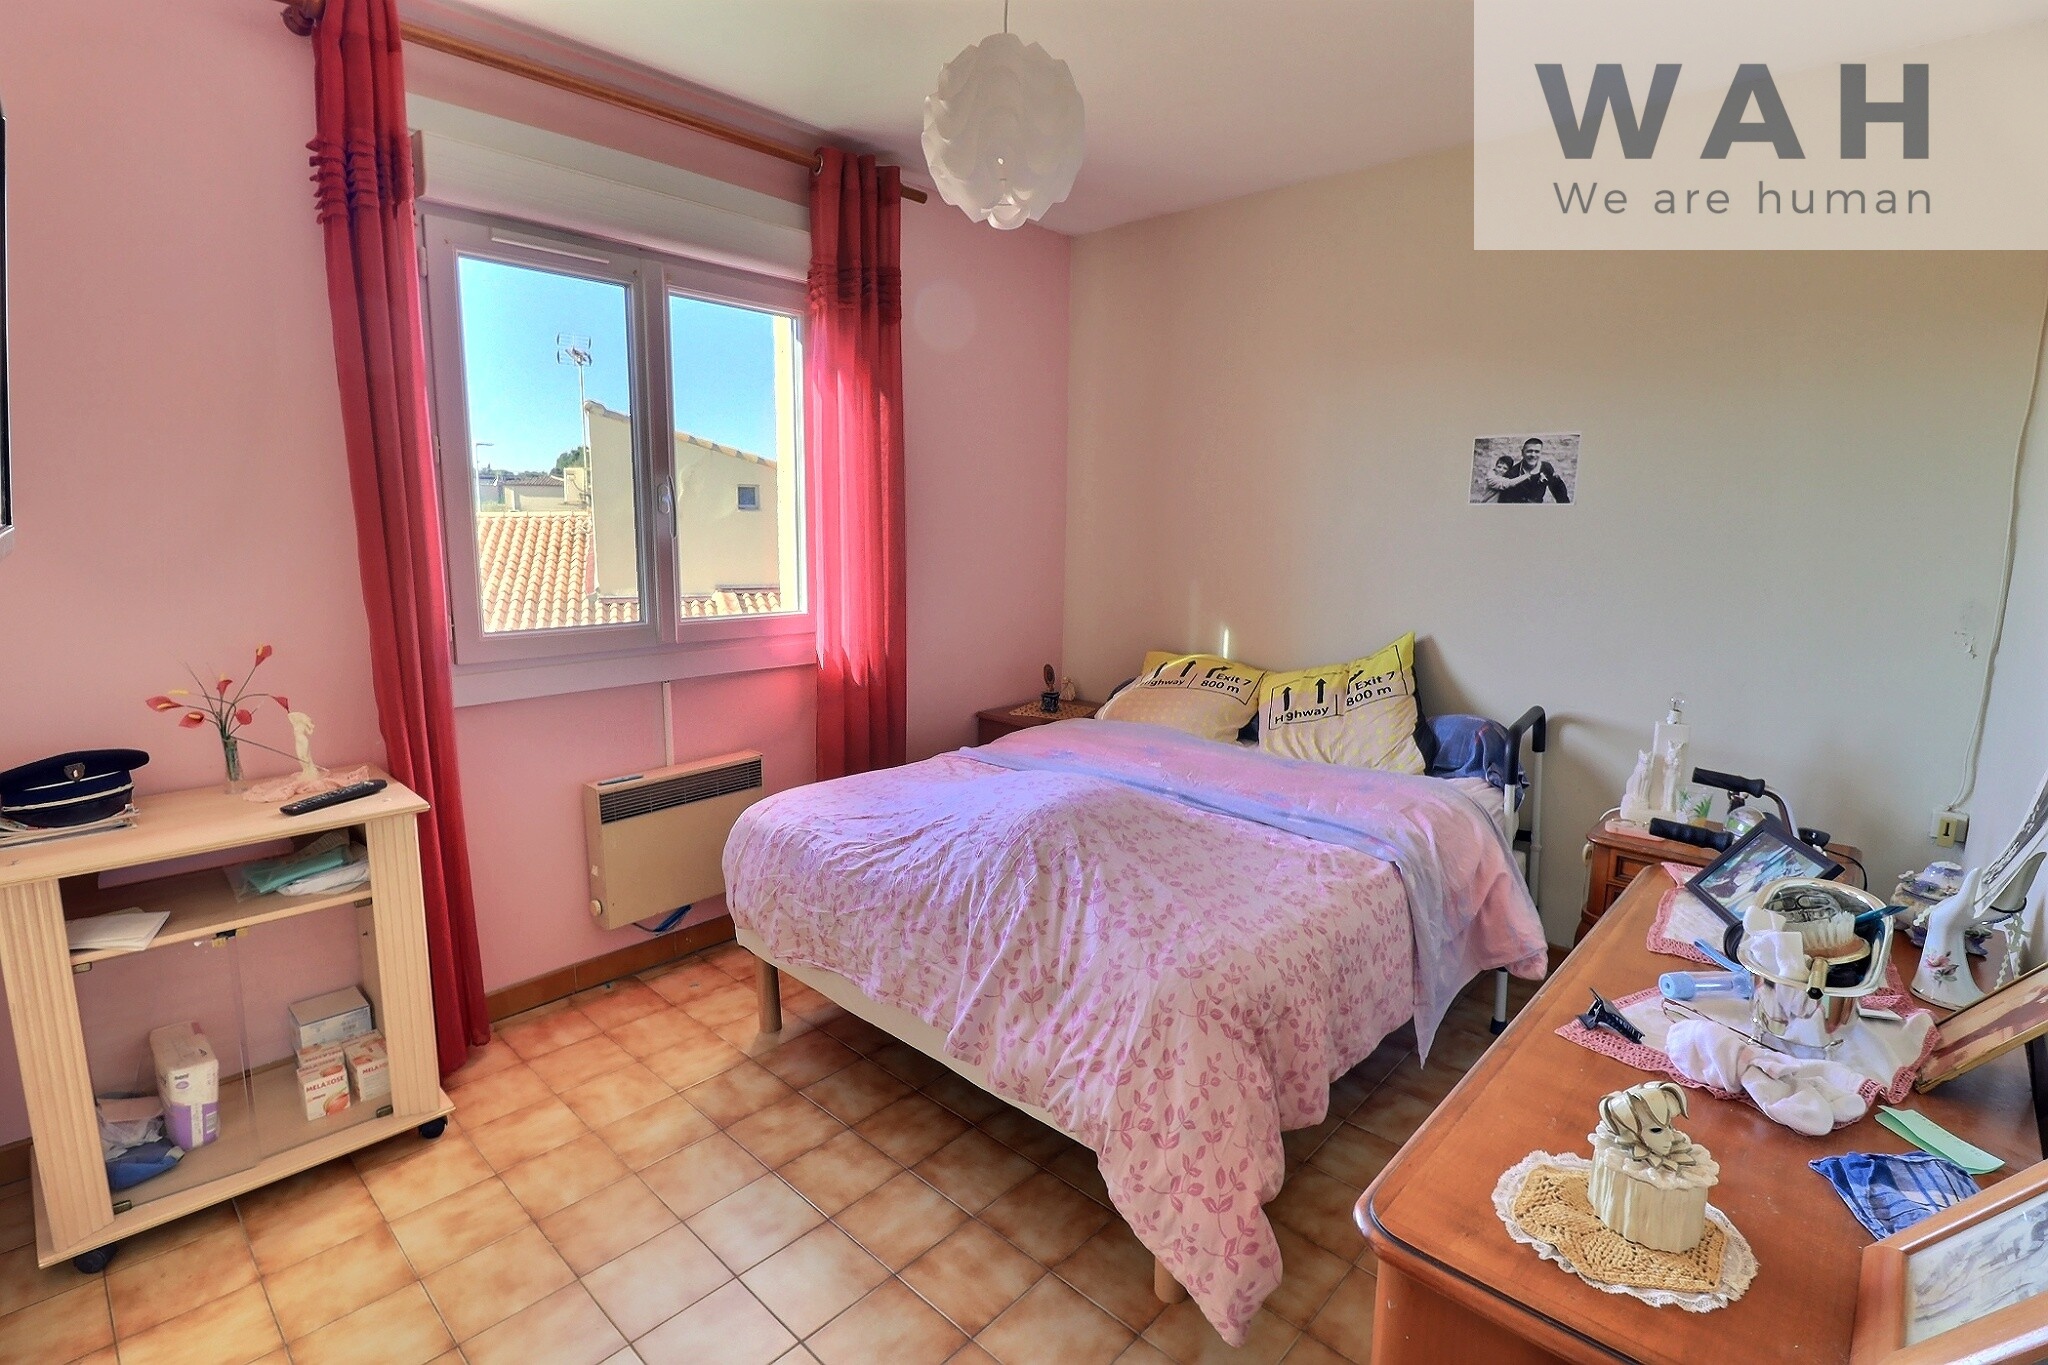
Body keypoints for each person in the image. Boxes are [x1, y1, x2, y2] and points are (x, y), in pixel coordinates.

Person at [1484, 436, 1572, 503]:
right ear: (1522, 452)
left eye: (1537, 452)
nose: (1533, 455)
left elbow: (1559, 490)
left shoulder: (1546, 467)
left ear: (1541, 453)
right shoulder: (1512, 474)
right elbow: (1505, 501)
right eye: (1529, 451)